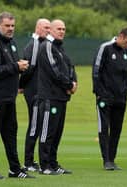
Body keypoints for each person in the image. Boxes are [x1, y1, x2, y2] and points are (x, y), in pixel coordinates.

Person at [0, 12, 34, 179]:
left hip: (9, 98)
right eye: (7, 26)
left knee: (11, 134)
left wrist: (21, 67)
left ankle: (15, 169)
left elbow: (12, 66)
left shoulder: (11, 43)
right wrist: (17, 67)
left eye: (12, 26)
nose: (10, 29)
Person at [37, 19, 77, 175]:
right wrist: (68, 85)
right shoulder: (46, 46)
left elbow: (70, 67)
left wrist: (74, 83)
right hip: (49, 97)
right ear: (50, 30)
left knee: (57, 132)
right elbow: (54, 71)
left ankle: (53, 163)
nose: (62, 31)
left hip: (61, 97)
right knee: (47, 132)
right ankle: (44, 165)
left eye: (64, 29)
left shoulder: (60, 48)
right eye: (58, 28)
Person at [92, 28, 127, 170]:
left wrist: (126, 92)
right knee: (104, 128)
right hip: (105, 97)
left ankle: (112, 159)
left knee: (116, 129)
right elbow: (96, 71)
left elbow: (126, 75)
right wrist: (99, 92)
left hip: (120, 98)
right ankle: (106, 161)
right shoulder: (105, 48)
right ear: (121, 37)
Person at [19, 18, 51, 172]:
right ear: (37, 28)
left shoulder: (42, 44)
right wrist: (21, 85)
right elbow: (29, 67)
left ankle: (31, 160)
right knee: (34, 126)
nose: (48, 30)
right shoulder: (36, 44)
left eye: (49, 28)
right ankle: (28, 162)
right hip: (34, 91)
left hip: (40, 91)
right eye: (45, 27)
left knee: (37, 125)